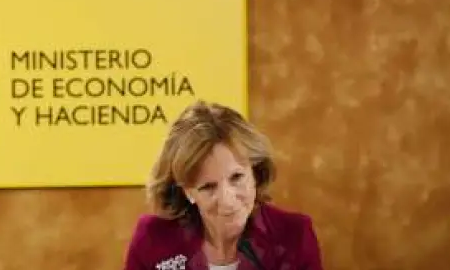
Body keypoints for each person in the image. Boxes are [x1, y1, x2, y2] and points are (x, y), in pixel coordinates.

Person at [122, 101, 323, 270]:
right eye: (208, 187)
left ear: (255, 171)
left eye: (237, 177)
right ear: (187, 191)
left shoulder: (295, 236)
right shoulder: (152, 239)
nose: (227, 201)